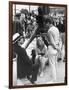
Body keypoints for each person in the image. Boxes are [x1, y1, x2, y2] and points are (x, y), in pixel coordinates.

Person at [43, 16, 60, 82]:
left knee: (52, 65)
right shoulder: (56, 29)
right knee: (55, 64)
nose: (45, 25)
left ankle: (53, 79)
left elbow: (52, 42)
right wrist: (58, 48)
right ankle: (55, 76)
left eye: (46, 23)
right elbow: (58, 40)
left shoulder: (49, 30)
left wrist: (46, 39)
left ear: (49, 23)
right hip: (56, 48)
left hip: (52, 48)